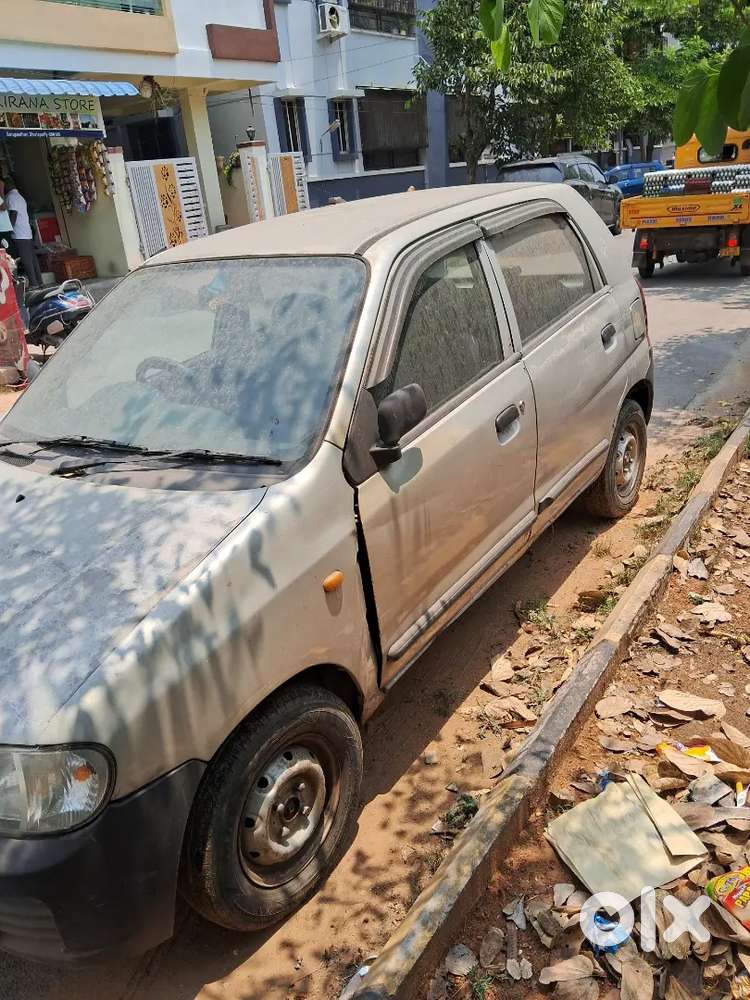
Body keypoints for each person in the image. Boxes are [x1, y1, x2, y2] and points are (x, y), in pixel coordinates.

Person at [5, 178, 42, 288]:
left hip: (19, 233)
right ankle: (39, 282)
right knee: (32, 259)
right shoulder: (19, 197)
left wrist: (9, 229)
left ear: (7, 186)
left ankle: (34, 283)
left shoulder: (11, 197)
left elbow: (13, 214)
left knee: (26, 259)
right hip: (26, 232)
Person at [0, 179, 15, 255]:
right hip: (2, 229)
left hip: (4, 228)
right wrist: (2, 191)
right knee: (8, 255)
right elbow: (3, 207)